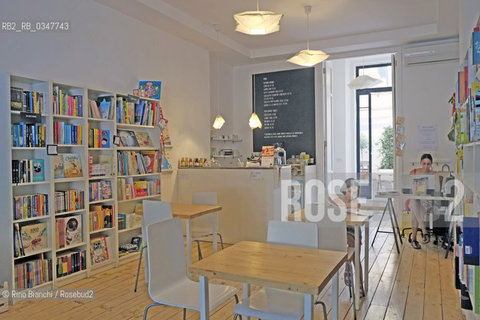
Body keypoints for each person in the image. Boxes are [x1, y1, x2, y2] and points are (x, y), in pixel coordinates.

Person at [331, 178, 364, 295]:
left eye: (355, 192)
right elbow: (334, 203)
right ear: (345, 190)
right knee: (349, 241)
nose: (352, 195)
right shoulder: (337, 200)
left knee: (356, 257)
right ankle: (347, 264)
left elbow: (356, 205)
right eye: (350, 191)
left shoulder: (355, 202)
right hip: (341, 230)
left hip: (354, 229)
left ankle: (359, 284)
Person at [406, 153, 436, 249]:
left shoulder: (434, 175)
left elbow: (436, 190)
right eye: (424, 163)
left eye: (428, 164)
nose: (426, 166)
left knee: (415, 208)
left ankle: (414, 239)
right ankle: (424, 231)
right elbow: (407, 189)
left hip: (427, 202)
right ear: (420, 163)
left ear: (431, 164)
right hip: (414, 200)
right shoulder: (413, 172)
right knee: (415, 201)